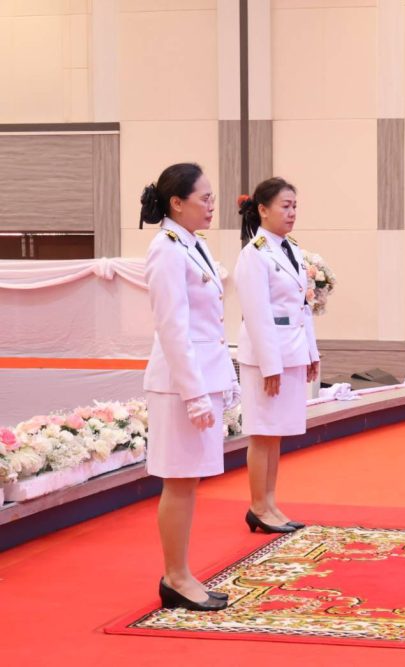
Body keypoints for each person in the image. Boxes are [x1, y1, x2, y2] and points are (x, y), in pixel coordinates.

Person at [140, 162, 238, 611]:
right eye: (204, 198)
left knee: (188, 480)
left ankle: (180, 572)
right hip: (179, 384)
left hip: (200, 375)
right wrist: (194, 393)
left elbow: (210, 319)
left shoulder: (192, 243)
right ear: (177, 203)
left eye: (212, 197)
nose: (211, 205)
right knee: (179, 481)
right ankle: (175, 577)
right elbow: (172, 327)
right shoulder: (166, 249)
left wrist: (224, 379)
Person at [235, 177, 320, 534]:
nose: (292, 212)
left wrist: (312, 352)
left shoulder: (291, 250)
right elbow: (256, 314)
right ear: (263, 210)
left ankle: (270, 503)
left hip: (291, 350)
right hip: (265, 358)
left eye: (295, 206)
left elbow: (302, 307)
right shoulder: (254, 254)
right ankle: (258, 506)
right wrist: (270, 365)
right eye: (285, 206)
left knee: (277, 434)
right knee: (262, 432)